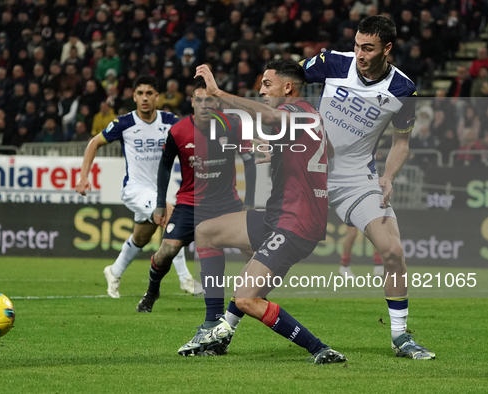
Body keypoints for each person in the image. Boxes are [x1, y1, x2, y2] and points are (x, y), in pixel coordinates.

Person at [174, 60, 346, 364]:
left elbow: (268, 114)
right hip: (280, 216)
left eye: (267, 84)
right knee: (206, 232)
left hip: (294, 222)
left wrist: (217, 92)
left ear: (288, 88)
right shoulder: (310, 115)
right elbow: (327, 150)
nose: (262, 90)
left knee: (246, 297)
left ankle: (320, 349)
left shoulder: (293, 112)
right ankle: (215, 328)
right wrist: (281, 148)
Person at [297, 15, 434, 359]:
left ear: (387, 49)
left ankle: (400, 337)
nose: (359, 53)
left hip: (357, 180)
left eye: (368, 48)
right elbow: (285, 79)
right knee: (267, 251)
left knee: (393, 251)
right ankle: (224, 325)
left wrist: (387, 177)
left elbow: (401, 143)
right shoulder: (333, 62)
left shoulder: (403, 89)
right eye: (357, 45)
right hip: (308, 172)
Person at [135, 76, 257, 313]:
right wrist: (161, 204)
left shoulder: (232, 126)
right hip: (189, 205)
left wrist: (249, 202)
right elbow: (164, 167)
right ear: (192, 102)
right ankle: (151, 293)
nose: (205, 105)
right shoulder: (178, 131)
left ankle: (254, 296)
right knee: (166, 252)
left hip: (226, 204)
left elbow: (249, 161)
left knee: (253, 250)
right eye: (200, 100)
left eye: (209, 100)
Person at [75, 75, 196, 298]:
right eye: (140, 93)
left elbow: (194, 137)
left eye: (149, 93)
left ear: (157, 97)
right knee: (172, 218)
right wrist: (83, 177)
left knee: (140, 237)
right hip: (135, 189)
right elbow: (94, 143)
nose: (144, 98)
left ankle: (114, 270)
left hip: (157, 191)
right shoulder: (125, 123)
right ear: (134, 96)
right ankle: (185, 279)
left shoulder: (170, 121)